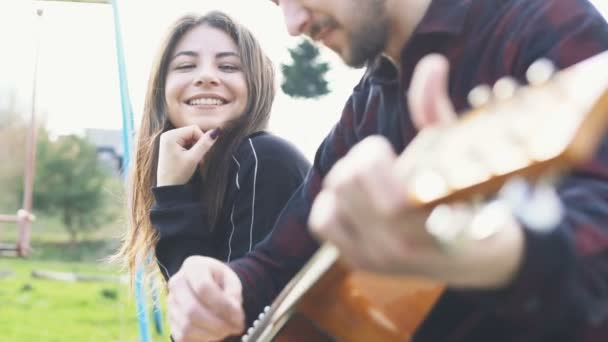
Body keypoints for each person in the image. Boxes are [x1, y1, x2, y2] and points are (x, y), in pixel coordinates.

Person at [167, 0, 608, 341]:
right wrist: (223, 286)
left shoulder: (541, 23)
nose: (293, 22)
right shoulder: (366, 105)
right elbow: (280, 260)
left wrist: (497, 253)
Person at [113, 11, 310, 287]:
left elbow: (220, 317)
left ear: (255, 86)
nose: (206, 76)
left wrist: (172, 197)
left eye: (228, 67)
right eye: (185, 66)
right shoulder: (204, 177)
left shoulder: (263, 159)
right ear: (162, 90)